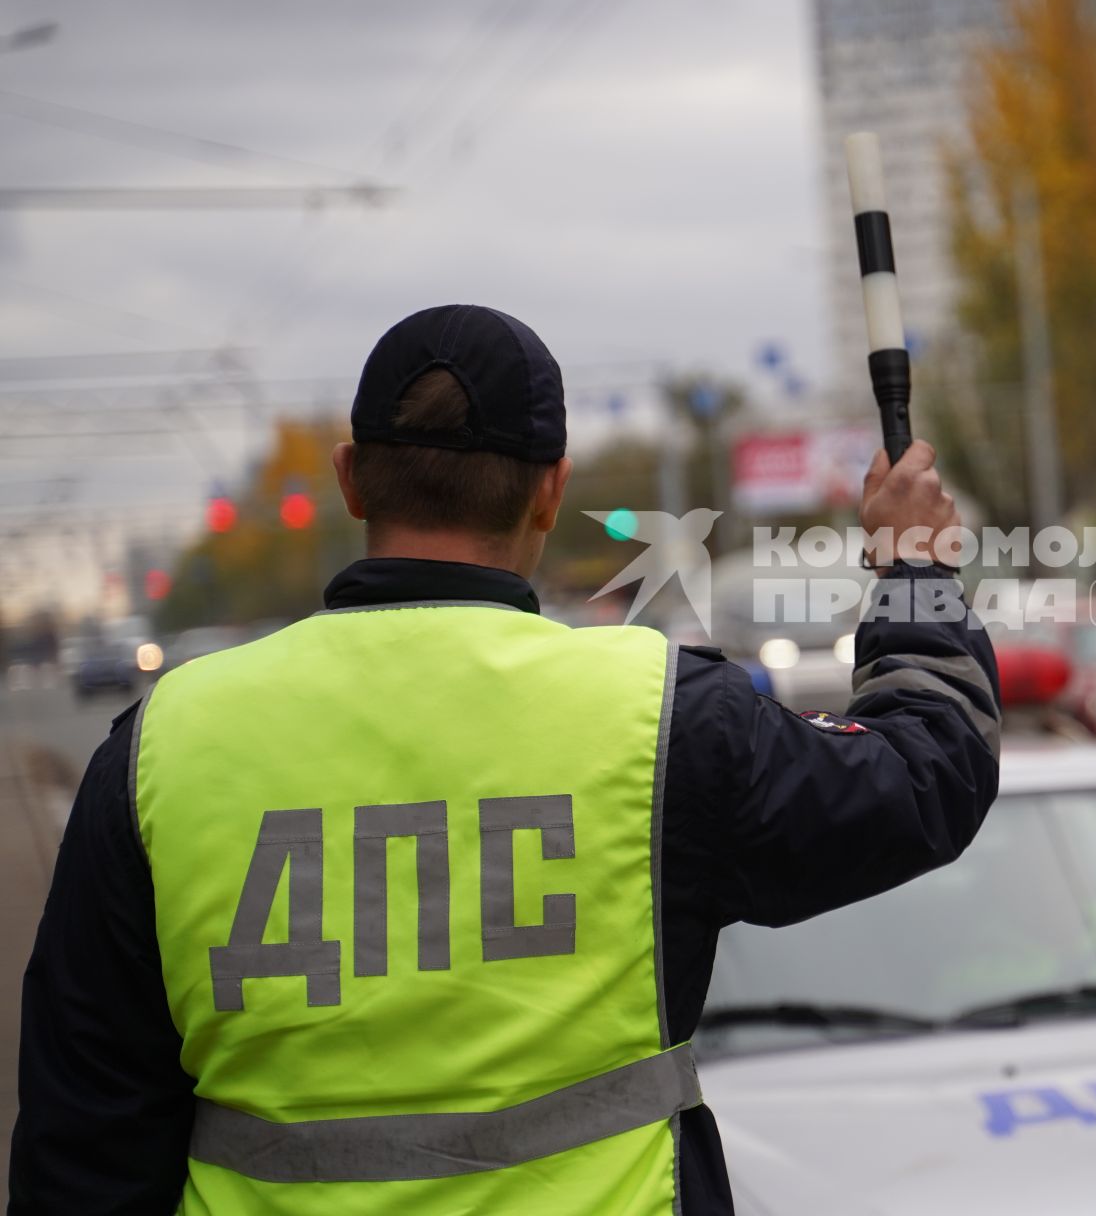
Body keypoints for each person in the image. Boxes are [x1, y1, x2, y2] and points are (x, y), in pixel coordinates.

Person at [9, 304, 1001, 1214]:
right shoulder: (660, 719)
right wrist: (912, 566)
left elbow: (83, 1143)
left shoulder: (163, 745)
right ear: (551, 488)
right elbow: (928, 768)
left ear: (352, 477)